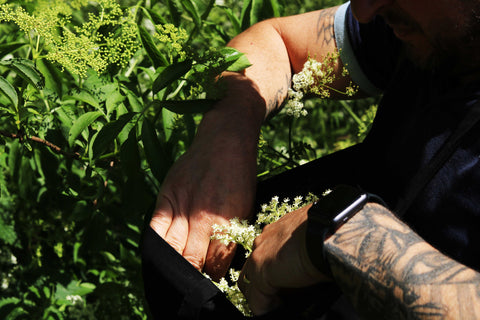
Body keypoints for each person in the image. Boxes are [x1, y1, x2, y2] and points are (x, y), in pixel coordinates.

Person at [148, 0, 480, 318]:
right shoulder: (433, 31)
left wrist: (353, 238)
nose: (364, 11)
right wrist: (227, 136)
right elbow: (276, 42)